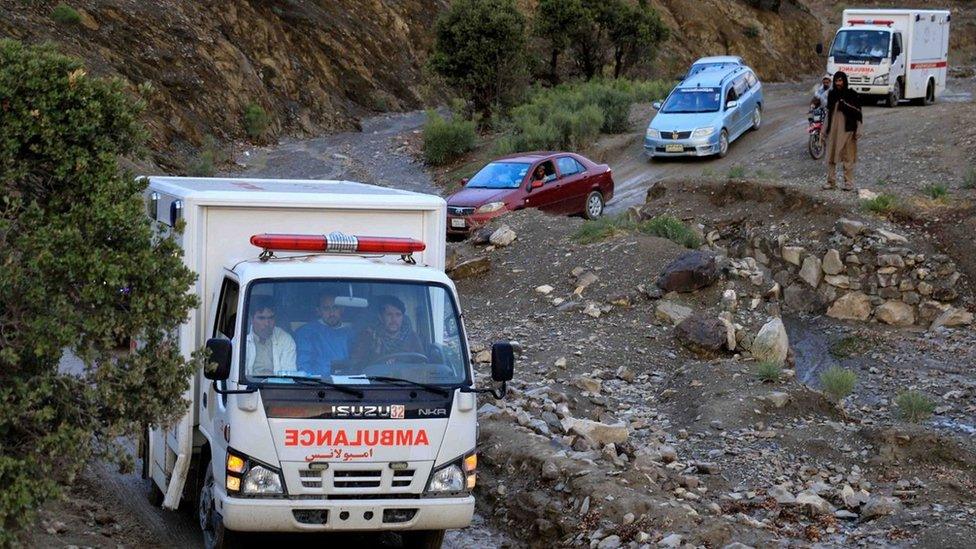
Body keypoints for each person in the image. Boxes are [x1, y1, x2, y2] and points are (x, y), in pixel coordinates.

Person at [350, 295, 423, 365]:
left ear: (403, 317)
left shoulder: (412, 337)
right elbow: (356, 365)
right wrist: (376, 351)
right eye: (389, 314)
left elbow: (422, 364)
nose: (394, 319)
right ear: (380, 317)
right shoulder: (368, 335)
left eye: (398, 315)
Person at [295, 293, 352, 376]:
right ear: (318, 311)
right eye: (326, 308)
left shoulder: (351, 333)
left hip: (351, 385)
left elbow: (358, 363)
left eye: (335, 308)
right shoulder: (306, 333)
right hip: (318, 385)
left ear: (342, 309)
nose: (331, 313)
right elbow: (303, 368)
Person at [824, 71, 862, 191]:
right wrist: (823, 130)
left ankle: (848, 183)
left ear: (844, 81)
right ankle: (831, 182)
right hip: (834, 131)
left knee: (848, 157)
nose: (838, 83)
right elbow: (828, 113)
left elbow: (858, 114)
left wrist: (859, 129)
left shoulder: (852, 95)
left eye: (840, 81)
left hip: (848, 130)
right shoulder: (832, 95)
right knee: (831, 155)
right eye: (836, 81)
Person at [245, 296, 296, 376]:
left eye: (271, 318)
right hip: (249, 387)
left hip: (276, 387)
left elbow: (289, 374)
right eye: (261, 318)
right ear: (251, 319)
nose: (267, 323)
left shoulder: (285, 339)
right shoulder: (241, 339)